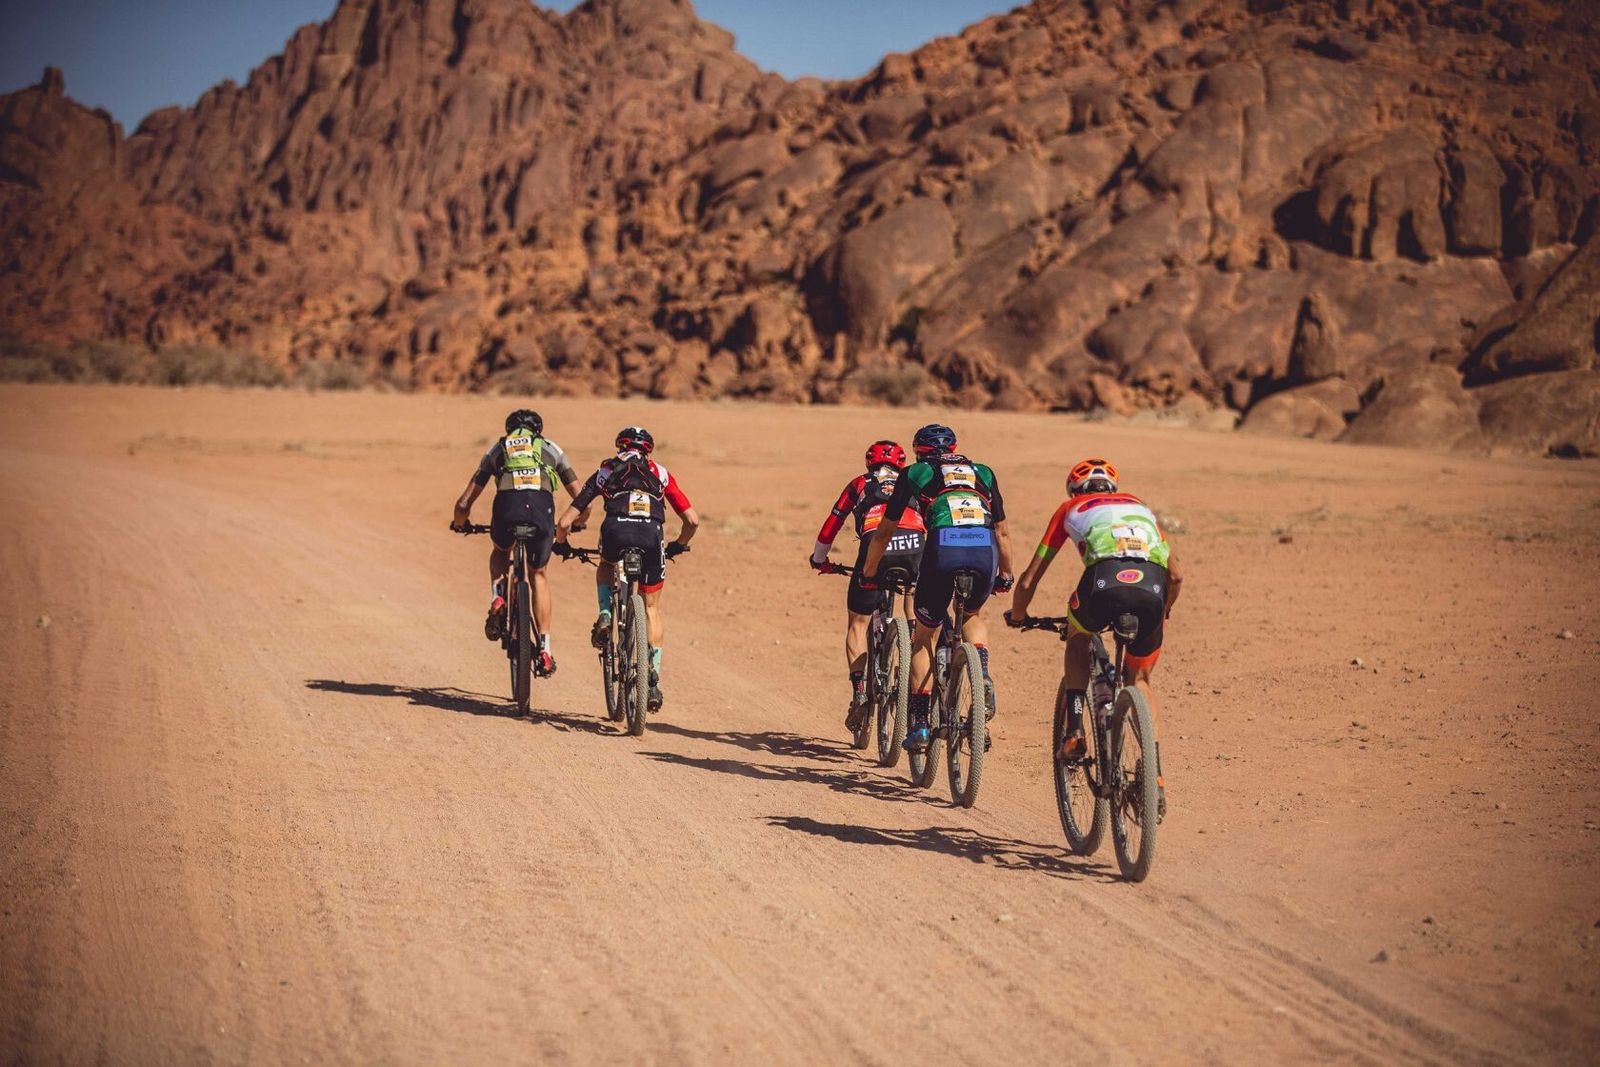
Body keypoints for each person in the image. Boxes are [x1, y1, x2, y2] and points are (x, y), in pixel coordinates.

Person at [1004, 457, 1184, 757]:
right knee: (1140, 679)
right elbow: (1176, 575)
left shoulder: (1068, 509)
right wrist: (1164, 610)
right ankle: (1153, 771)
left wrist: (1019, 614)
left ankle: (1075, 731)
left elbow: (1028, 580)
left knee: (1079, 636)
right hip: (1152, 588)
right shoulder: (1139, 507)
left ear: (1074, 490)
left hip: (1103, 583)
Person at [862, 423, 1014, 753]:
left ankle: (918, 724)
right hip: (983, 547)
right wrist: (1005, 575)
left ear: (919, 452)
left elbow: (886, 530)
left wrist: (870, 571)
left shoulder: (915, 472)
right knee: (971, 612)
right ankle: (982, 674)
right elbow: (1002, 532)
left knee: (925, 634)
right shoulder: (983, 472)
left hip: (943, 547)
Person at [554, 426, 699, 712]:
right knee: (652, 608)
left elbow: (564, 522)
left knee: (607, 563)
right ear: (650, 449)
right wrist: (679, 545)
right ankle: (652, 679)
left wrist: (562, 544)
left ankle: (606, 613)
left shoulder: (606, 471)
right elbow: (692, 520)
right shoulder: (661, 473)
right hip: (651, 538)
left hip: (615, 531)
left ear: (619, 445)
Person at [451, 408, 583, 675]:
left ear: (509, 429)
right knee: (539, 575)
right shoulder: (551, 448)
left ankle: (498, 599)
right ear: (538, 431)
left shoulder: (498, 448)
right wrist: (578, 523)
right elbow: (579, 496)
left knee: (501, 550)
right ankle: (545, 648)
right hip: (541, 511)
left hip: (507, 508)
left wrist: (460, 522)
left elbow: (465, 502)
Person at [808, 440, 926, 732]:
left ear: (868, 462)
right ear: (901, 463)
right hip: (915, 544)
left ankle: (860, 690)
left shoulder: (860, 483)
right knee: (913, 592)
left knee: (858, 623)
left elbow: (832, 523)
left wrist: (820, 559)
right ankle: (912, 648)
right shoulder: (912, 478)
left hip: (876, 544)